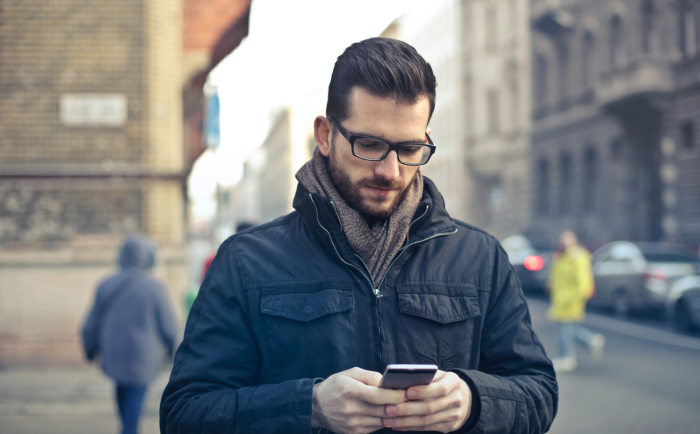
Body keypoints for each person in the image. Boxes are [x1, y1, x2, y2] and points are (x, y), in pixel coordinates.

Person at [160, 37, 557, 434]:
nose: (390, 170)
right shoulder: (245, 261)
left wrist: (473, 400)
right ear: (325, 135)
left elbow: (539, 393)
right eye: (369, 144)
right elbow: (184, 415)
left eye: (410, 148)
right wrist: (309, 407)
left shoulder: (480, 256)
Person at [82, 234, 179, 434]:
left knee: (122, 391)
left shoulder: (106, 284)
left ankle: (127, 428)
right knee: (135, 396)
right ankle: (129, 429)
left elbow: (91, 323)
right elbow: (168, 325)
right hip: (143, 356)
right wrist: (173, 350)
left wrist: (90, 348)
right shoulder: (155, 287)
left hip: (114, 353)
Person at [547, 230, 605, 372]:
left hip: (570, 299)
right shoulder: (562, 257)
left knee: (565, 329)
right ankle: (591, 340)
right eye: (562, 240)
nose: (563, 243)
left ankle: (567, 357)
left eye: (566, 240)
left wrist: (575, 297)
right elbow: (557, 276)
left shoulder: (577, 257)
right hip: (561, 299)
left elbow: (584, 284)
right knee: (567, 328)